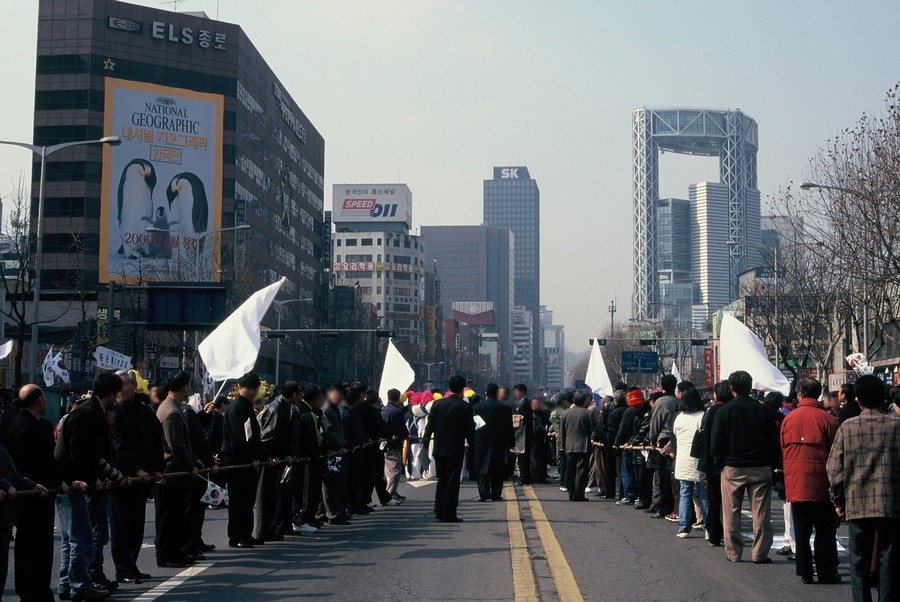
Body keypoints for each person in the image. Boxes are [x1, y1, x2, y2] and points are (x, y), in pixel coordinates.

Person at [828, 374, 900, 601]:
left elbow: (834, 468)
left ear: (857, 400)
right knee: (889, 559)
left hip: (857, 502)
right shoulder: (897, 426)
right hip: (892, 502)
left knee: (858, 559)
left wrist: (838, 500)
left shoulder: (847, 427)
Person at [55, 373, 127, 602]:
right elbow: (83, 454)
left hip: (70, 481)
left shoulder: (88, 411)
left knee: (71, 539)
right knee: (81, 538)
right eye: (116, 395)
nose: (116, 400)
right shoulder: (88, 415)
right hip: (75, 483)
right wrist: (94, 478)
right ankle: (81, 587)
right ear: (110, 394)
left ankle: (66, 585)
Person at [711, 370, 780, 564]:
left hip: (732, 467)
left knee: (731, 512)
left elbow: (716, 442)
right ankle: (759, 553)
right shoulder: (763, 411)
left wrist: (721, 463)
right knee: (761, 513)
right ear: (751, 388)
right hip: (760, 466)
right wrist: (772, 463)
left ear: (731, 389)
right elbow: (773, 441)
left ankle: (733, 553)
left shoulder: (724, 411)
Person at [780, 378, 840, 585]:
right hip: (822, 483)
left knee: (802, 532)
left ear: (799, 394)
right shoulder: (828, 420)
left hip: (796, 483)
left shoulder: (789, 419)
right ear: (818, 395)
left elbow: (783, 448)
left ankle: (805, 572)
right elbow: (836, 452)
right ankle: (826, 571)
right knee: (825, 531)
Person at [4, 384, 59, 601]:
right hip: (33, 493)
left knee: (28, 546)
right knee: (35, 547)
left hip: (27, 492)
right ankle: (35, 591)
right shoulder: (29, 427)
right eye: (44, 398)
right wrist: (59, 482)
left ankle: (31, 589)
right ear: (38, 401)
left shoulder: (15, 422)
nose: (45, 402)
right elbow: (45, 462)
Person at [109, 370, 164, 584]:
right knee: (121, 526)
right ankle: (122, 569)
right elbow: (118, 446)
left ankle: (132, 565)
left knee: (136, 526)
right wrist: (134, 469)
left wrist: (156, 467)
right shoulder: (113, 411)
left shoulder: (144, 411)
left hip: (143, 479)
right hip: (122, 478)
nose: (119, 388)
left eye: (122, 384)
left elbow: (156, 440)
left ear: (133, 386)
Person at [155, 372, 200, 568]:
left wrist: (194, 460)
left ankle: (175, 551)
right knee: (169, 519)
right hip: (172, 474)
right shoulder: (171, 412)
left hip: (175, 474)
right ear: (184, 386)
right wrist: (190, 466)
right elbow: (177, 446)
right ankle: (167, 554)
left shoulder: (172, 407)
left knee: (175, 518)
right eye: (188, 384)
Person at [222, 372, 267, 548]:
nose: (251, 392)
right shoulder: (235, 408)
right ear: (240, 388)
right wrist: (252, 458)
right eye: (247, 388)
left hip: (248, 461)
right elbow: (238, 439)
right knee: (237, 500)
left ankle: (246, 533)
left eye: (253, 389)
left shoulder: (247, 406)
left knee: (247, 500)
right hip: (236, 460)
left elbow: (253, 437)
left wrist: (260, 456)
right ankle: (236, 535)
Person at [422, 376, 475, 522]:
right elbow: (469, 429)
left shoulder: (437, 404)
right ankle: (450, 513)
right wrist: (472, 445)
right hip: (455, 448)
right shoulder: (465, 407)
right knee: (452, 481)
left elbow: (429, 426)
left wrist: (425, 441)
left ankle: (439, 510)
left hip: (439, 448)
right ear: (463, 389)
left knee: (442, 480)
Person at [0, 438, 46, 598]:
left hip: (5, 518)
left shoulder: (2, 445)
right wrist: (4, 486)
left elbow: (13, 475)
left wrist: (30, 484)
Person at [255, 382, 295, 542]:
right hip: (271, 459)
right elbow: (267, 436)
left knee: (274, 496)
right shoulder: (276, 408)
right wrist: (271, 455)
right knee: (267, 496)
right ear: (293, 395)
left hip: (279, 458)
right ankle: (264, 530)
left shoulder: (284, 407)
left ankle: (270, 528)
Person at [698, 381, 732, 548]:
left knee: (714, 500)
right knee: (730, 502)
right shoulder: (729, 410)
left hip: (711, 462)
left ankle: (713, 534)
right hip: (726, 462)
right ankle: (728, 534)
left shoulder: (712, 411)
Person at [672, 388, 708, 538]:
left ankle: (684, 527)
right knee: (704, 495)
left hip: (683, 460)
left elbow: (674, 435)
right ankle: (709, 528)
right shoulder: (702, 416)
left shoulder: (679, 417)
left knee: (685, 493)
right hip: (699, 460)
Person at [291, 386, 326, 534]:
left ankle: (307, 518)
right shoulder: (308, 414)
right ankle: (300, 519)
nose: (322, 402)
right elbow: (316, 439)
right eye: (320, 399)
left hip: (302, 456)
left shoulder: (299, 410)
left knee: (308, 491)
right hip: (307, 458)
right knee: (305, 492)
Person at [472, 383, 515, 502]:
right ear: (497, 393)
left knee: (482, 468)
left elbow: (474, 425)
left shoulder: (477, 407)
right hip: (499, 441)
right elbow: (509, 427)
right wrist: (511, 443)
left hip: (481, 441)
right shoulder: (504, 408)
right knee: (497, 468)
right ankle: (496, 494)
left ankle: (484, 493)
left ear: (486, 393)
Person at [320, 385, 351, 526]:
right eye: (338, 394)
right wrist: (338, 447)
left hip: (337, 452)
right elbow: (329, 432)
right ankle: (332, 514)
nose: (340, 398)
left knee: (335, 483)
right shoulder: (327, 409)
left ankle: (328, 512)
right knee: (330, 484)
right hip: (331, 453)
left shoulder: (333, 408)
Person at [650, 375, 678, 519]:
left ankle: (664, 507)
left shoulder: (660, 402)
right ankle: (675, 507)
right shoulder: (678, 401)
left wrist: (652, 440)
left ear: (663, 387)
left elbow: (655, 424)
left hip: (664, 440)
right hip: (677, 440)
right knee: (674, 477)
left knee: (663, 476)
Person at [561, 391, 593, 501]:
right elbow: (596, 428)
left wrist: (563, 446)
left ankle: (571, 494)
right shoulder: (588, 413)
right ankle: (579, 495)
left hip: (569, 445)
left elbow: (562, 432)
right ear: (584, 401)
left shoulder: (565, 414)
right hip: (583, 445)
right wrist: (605, 440)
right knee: (581, 471)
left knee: (570, 470)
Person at [381, 389, 409, 503]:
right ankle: (390, 493)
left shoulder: (384, 410)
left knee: (387, 470)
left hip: (384, 443)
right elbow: (402, 430)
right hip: (394, 443)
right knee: (395, 470)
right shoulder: (397, 412)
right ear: (398, 398)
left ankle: (393, 492)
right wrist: (405, 435)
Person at [509, 385, 533, 485]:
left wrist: (515, 417)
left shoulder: (525, 403)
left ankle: (524, 478)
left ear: (521, 392)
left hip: (524, 434)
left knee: (523, 458)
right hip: (523, 434)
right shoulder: (524, 402)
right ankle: (526, 477)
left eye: (516, 392)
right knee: (523, 458)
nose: (515, 394)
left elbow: (525, 418)